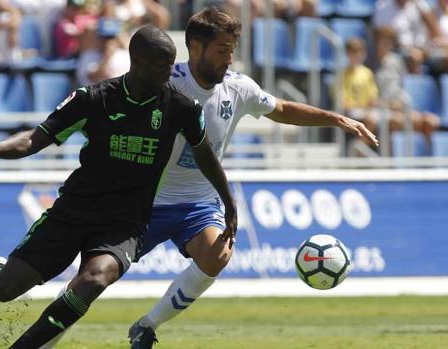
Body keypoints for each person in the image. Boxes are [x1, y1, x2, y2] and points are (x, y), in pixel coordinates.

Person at [0, 25, 238, 349]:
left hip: (125, 224)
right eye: (161, 66)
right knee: (4, 290)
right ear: (136, 61)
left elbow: (204, 154)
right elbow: (35, 138)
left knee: (94, 278)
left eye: (171, 66)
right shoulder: (94, 99)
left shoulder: (181, 108)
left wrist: (228, 203)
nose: (168, 73)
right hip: (73, 212)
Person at [123, 8, 377, 348]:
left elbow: (283, 109)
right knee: (98, 274)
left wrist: (335, 119)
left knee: (218, 253)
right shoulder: (167, 83)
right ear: (195, 49)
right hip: (146, 201)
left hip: (198, 202)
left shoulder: (238, 88)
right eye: (222, 50)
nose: (230, 59)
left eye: (232, 50)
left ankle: (147, 326)